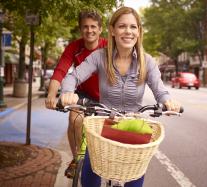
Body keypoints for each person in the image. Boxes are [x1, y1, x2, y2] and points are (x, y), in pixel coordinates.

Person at [60, 6, 181, 187]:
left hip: (132, 126)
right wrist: (68, 92)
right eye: (122, 26)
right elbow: (73, 76)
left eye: (133, 27)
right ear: (112, 30)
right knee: (90, 171)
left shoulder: (147, 61)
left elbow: (160, 90)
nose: (128, 31)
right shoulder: (100, 56)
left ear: (139, 32)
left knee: (136, 174)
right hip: (104, 124)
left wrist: (167, 102)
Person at [45, 9, 107, 178]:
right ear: (81, 29)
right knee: (75, 119)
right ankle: (76, 158)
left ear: (100, 29)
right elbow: (60, 71)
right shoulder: (74, 47)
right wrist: (52, 95)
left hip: (106, 96)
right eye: (85, 27)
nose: (89, 30)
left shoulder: (108, 47)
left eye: (93, 26)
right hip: (83, 93)